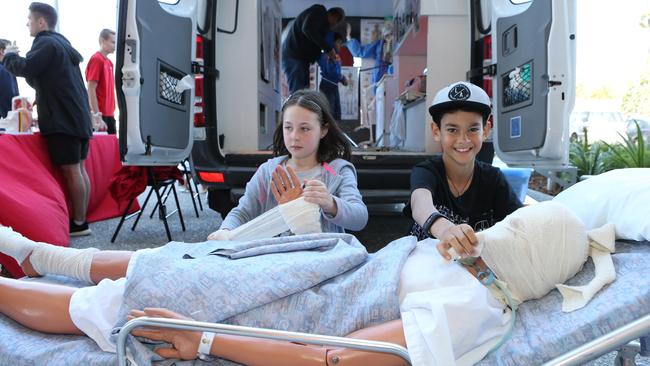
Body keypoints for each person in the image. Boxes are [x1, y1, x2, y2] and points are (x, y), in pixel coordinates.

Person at [0, 199, 613, 365]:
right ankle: (37, 254)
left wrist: (208, 341)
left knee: (117, 302)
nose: (504, 228)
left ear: (533, 259)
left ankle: (14, 284)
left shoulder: (473, 312)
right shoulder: (472, 260)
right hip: (309, 267)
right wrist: (448, 237)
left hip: (288, 307)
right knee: (176, 258)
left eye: (519, 229)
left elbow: (340, 355)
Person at [208, 89, 368, 239]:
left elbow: (360, 218)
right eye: (288, 127)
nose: (294, 136)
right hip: (274, 260)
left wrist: (330, 203)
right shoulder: (268, 171)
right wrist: (225, 231)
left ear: (324, 130)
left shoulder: (336, 171)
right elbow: (243, 212)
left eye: (304, 129)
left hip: (321, 261)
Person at [404, 81, 522, 260]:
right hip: (424, 265)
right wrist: (446, 230)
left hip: (473, 273)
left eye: (473, 129)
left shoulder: (494, 179)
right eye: (452, 129)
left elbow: (519, 222)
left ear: (486, 130)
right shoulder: (426, 171)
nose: (463, 139)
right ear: (437, 131)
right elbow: (421, 206)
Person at [3, 3, 93, 236]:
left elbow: (26, 68)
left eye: (29, 19)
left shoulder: (45, 43)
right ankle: (82, 219)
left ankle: (80, 223)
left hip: (62, 119)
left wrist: (10, 56)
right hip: (78, 117)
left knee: (72, 171)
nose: (27, 23)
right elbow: (41, 77)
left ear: (41, 22)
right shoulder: (62, 44)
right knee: (80, 169)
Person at [281, 5, 345, 93]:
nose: (335, 24)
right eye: (337, 20)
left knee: (303, 92)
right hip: (294, 55)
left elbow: (316, 45)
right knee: (298, 92)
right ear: (332, 15)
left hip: (301, 59)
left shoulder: (322, 29)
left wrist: (326, 56)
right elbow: (307, 28)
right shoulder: (319, 10)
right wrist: (328, 50)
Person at [86, 29, 116, 134]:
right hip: (100, 115)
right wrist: (96, 114)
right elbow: (91, 88)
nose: (115, 46)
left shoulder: (110, 63)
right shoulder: (96, 59)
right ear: (103, 41)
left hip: (110, 114)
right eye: (112, 42)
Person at [317, 32, 347, 121]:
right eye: (338, 43)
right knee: (329, 116)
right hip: (327, 86)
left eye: (341, 43)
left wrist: (341, 78)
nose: (340, 46)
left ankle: (334, 134)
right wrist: (342, 78)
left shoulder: (335, 56)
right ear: (332, 43)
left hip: (334, 86)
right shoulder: (326, 55)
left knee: (336, 116)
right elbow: (331, 72)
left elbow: (335, 72)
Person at [0, 39, 20, 119]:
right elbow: (9, 97)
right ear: (2, 51)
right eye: (10, 49)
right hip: (5, 121)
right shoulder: (4, 70)